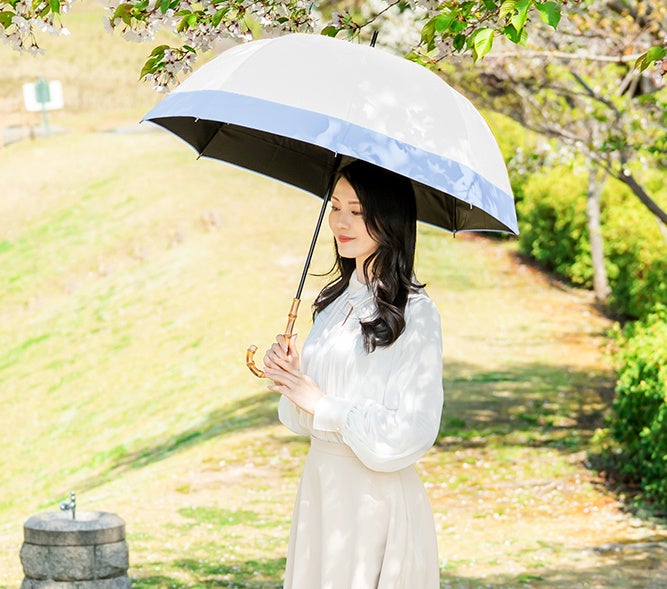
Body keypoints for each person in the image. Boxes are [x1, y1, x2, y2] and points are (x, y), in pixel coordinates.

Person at [263, 160, 444, 589]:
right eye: (335, 206)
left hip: (373, 501)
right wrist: (292, 379)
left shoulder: (416, 315)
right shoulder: (332, 305)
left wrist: (323, 404)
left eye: (357, 211)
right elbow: (300, 417)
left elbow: (413, 430)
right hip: (321, 491)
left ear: (390, 219)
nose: (340, 222)